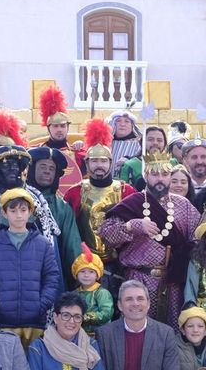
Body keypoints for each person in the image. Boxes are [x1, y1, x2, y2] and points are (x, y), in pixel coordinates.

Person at [99, 156, 201, 327]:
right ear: (146, 176)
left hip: (173, 282)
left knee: (172, 330)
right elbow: (106, 234)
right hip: (139, 279)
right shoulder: (133, 203)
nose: (160, 179)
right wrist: (132, 226)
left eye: (164, 174)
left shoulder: (184, 205)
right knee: (137, 328)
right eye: (154, 174)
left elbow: (198, 237)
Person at [0, 113, 65, 271]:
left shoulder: (36, 198)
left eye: (16, 164)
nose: (13, 169)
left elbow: (50, 244)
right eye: (6, 164)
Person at [0, 189, 62, 346]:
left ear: (30, 212)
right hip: (3, 321)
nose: (18, 215)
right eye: (13, 210)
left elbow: (52, 276)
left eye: (23, 210)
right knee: (5, 365)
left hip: (35, 322)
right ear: (4, 212)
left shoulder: (42, 244)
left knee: (33, 365)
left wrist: (42, 304)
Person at [65, 119, 136, 266]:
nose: (99, 165)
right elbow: (70, 232)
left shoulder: (126, 191)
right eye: (94, 161)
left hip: (119, 262)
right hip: (86, 263)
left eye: (103, 161)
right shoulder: (75, 192)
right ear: (87, 163)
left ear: (110, 163)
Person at [29, 140, 85, 281]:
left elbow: (72, 245)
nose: (47, 171)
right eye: (42, 167)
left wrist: (78, 276)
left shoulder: (62, 207)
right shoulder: (18, 201)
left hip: (54, 274)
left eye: (52, 168)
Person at [69, 243, 115, 335]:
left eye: (91, 272)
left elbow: (107, 312)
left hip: (99, 335)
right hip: (78, 334)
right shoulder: (74, 294)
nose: (86, 275)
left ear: (97, 275)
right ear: (76, 274)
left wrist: (88, 317)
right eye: (82, 271)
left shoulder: (102, 293)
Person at [182, 136, 206, 211]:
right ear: (186, 160)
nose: (199, 162)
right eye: (194, 157)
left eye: (203, 157)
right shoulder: (180, 188)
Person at [106, 110, 143, 175]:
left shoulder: (139, 145)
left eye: (127, 121)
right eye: (118, 121)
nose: (122, 124)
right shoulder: (105, 144)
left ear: (132, 126)